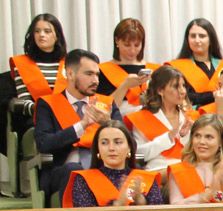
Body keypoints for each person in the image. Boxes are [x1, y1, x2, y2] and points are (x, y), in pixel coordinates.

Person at [33, 49, 121, 198]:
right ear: (70, 74)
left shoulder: (107, 103)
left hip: (102, 165)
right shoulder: (47, 104)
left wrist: (108, 124)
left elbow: (129, 143)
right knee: (74, 170)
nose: (96, 80)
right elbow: (44, 143)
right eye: (89, 74)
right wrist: (82, 125)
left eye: (97, 75)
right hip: (63, 170)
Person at [122, 66, 196, 171]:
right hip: (158, 171)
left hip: (188, 169)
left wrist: (184, 136)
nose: (182, 91)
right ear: (160, 90)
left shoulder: (190, 116)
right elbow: (138, 156)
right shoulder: (141, 118)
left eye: (183, 86)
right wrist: (167, 139)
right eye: (176, 86)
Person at [8, 13, 67, 133]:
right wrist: (43, 110)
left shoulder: (69, 62)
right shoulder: (21, 63)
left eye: (47, 31)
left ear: (57, 36)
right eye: (37, 31)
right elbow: (24, 100)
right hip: (36, 117)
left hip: (67, 116)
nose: (41, 35)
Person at [168, 18, 223, 108]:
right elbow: (181, 96)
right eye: (193, 36)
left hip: (222, 116)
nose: (197, 40)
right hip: (191, 118)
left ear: (211, 39)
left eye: (202, 36)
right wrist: (213, 95)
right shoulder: (175, 68)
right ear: (187, 39)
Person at [97, 18, 156, 115]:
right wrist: (125, 86)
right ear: (117, 40)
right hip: (117, 124)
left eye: (137, 45)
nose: (132, 50)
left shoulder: (154, 69)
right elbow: (103, 110)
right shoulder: (102, 70)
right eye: (127, 45)